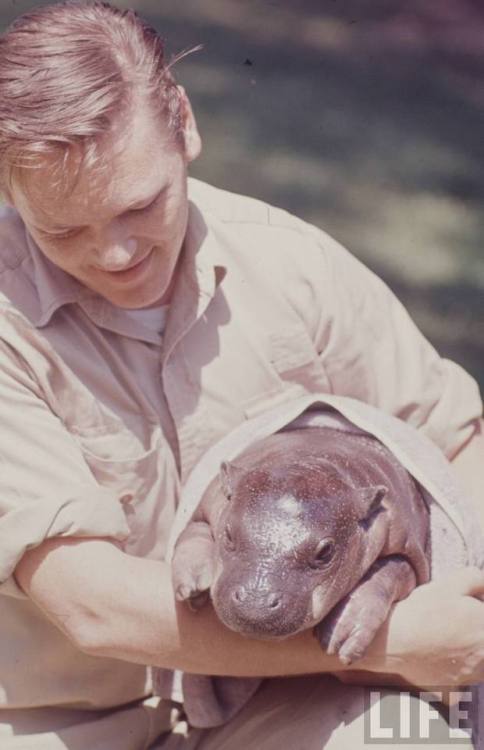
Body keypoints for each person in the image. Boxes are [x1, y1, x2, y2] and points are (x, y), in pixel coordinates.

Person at [0, 2, 483, 748]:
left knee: (404, 737)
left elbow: (459, 441)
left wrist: (457, 604)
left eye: (141, 204)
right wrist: (394, 644)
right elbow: (89, 604)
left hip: (269, 707)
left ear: (185, 126)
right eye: (63, 230)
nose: (116, 254)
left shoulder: (293, 266)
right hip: (60, 728)